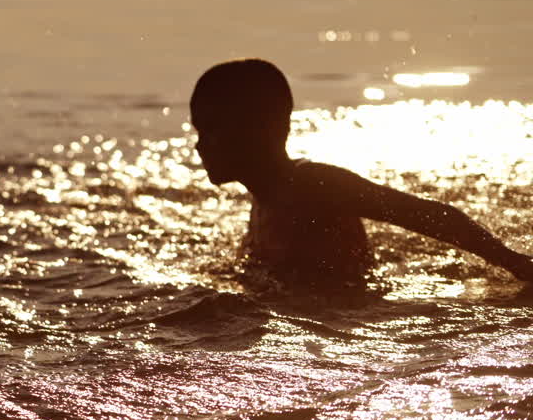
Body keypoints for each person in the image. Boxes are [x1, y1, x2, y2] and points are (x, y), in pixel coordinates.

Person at [190, 58, 533, 285]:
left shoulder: (313, 185)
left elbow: (426, 214)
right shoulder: (264, 198)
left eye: (211, 130)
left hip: (355, 321)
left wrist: (512, 261)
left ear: (259, 129)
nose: (199, 146)